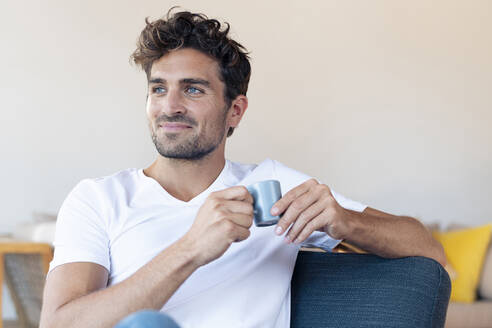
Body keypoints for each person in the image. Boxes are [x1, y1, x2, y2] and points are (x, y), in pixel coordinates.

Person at [39, 9, 446, 328]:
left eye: (193, 89)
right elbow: (59, 323)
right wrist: (191, 249)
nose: (170, 106)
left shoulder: (272, 188)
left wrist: (344, 221)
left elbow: (428, 248)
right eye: (158, 88)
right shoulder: (98, 199)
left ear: (235, 110)